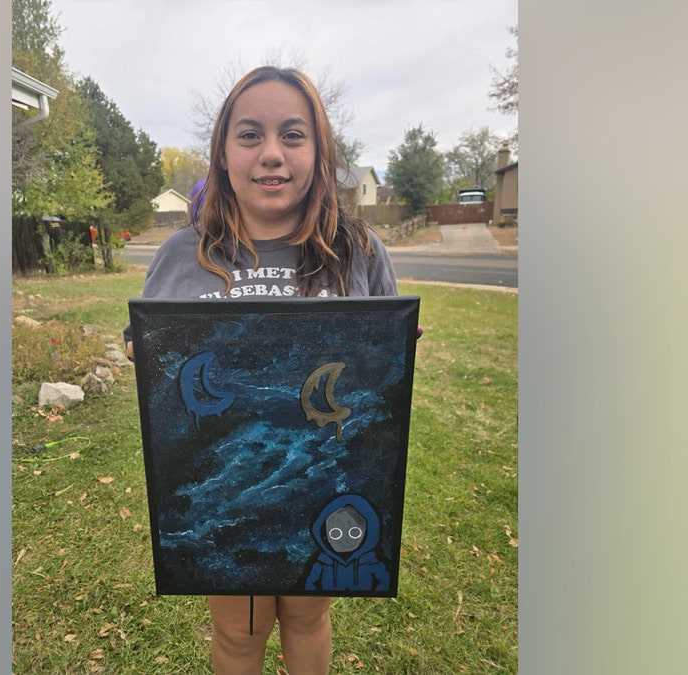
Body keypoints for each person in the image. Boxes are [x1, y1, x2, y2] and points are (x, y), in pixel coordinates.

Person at [123, 65, 399, 675]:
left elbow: (381, 369)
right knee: (239, 631)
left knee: (307, 617)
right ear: (222, 153)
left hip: (327, 475)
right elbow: (153, 357)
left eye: (293, 135)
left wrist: (394, 354)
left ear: (319, 151)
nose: (271, 154)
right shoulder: (181, 254)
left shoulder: (358, 249)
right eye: (250, 135)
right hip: (226, 484)